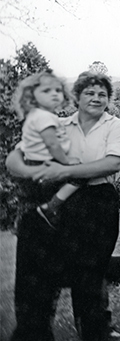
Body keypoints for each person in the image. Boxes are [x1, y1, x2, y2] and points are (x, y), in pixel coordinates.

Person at [6, 71, 120, 341]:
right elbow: (17, 157)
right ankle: (41, 334)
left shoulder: (117, 126)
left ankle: (94, 327)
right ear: (76, 97)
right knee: (64, 264)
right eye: (90, 93)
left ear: (108, 99)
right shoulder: (59, 125)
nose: (97, 98)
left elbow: (112, 163)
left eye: (102, 94)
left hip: (101, 198)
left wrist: (65, 169)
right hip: (65, 200)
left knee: (95, 263)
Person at [12, 71, 80, 229]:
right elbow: (52, 144)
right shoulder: (44, 117)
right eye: (46, 91)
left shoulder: (37, 115)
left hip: (34, 163)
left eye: (57, 91)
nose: (54, 95)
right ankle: (51, 207)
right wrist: (66, 163)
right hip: (41, 163)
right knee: (79, 176)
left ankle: (27, 217)